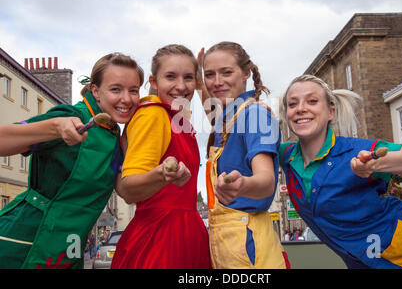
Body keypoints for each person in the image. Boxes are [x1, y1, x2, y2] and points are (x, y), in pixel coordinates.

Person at [279, 74, 402, 269]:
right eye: (292, 104)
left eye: (312, 101)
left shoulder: (357, 151)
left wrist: (377, 164)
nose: (301, 108)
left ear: (331, 112)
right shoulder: (286, 156)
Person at [0, 53, 144, 269]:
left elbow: (123, 190)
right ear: (95, 91)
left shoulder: (115, 136)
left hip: (69, 251)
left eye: (133, 90)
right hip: (23, 243)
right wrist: (55, 127)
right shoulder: (69, 115)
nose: (127, 99)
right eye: (116, 89)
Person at [111, 44, 211, 269]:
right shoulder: (154, 116)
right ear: (153, 82)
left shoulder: (174, 117)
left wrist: (202, 84)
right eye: (170, 77)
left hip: (182, 232)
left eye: (188, 78)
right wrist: (161, 174)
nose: (181, 86)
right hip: (161, 239)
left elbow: (220, 121)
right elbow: (129, 187)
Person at [200, 41, 289, 269]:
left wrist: (241, 185)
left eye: (226, 72)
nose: (217, 82)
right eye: (209, 74)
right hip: (231, 243)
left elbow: (267, 181)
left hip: (249, 247)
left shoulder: (255, 115)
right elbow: (211, 106)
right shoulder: (227, 118)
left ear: (246, 72)